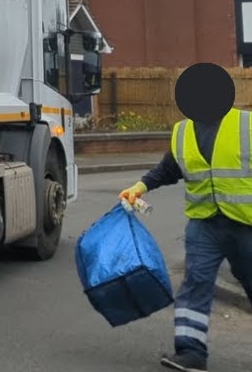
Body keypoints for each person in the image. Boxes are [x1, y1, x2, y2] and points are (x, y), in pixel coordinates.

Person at [118, 63, 252, 372]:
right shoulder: (182, 132)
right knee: (195, 283)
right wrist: (139, 187)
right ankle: (191, 353)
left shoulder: (246, 125)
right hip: (205, 225)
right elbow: (168, 169)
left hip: (246, 225)